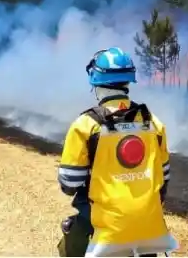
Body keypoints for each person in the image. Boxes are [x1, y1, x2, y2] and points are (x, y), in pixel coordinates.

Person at [57, 47, 175, 258]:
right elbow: (164, 178)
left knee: (70, 247)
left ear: (95, 81)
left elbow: (69, 182)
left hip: (105, 229)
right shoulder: (153, 122)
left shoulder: (85, 125)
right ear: (128, 81)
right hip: (149, 225)